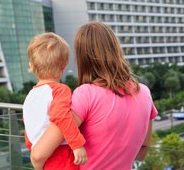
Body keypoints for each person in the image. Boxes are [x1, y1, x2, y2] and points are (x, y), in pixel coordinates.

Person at [31, 22, 158, 169]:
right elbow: (142, 152)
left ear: (82, 56)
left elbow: (38, 154)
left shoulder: (86, 94)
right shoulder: (144, 92)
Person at [23, 33, 87, 170]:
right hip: (62, 156)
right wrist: (77, 145)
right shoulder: (60, 90)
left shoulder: (30, 96)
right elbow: (61, 116)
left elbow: (29, 128)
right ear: (63, 67)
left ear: (32, 67)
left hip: (44, 158)